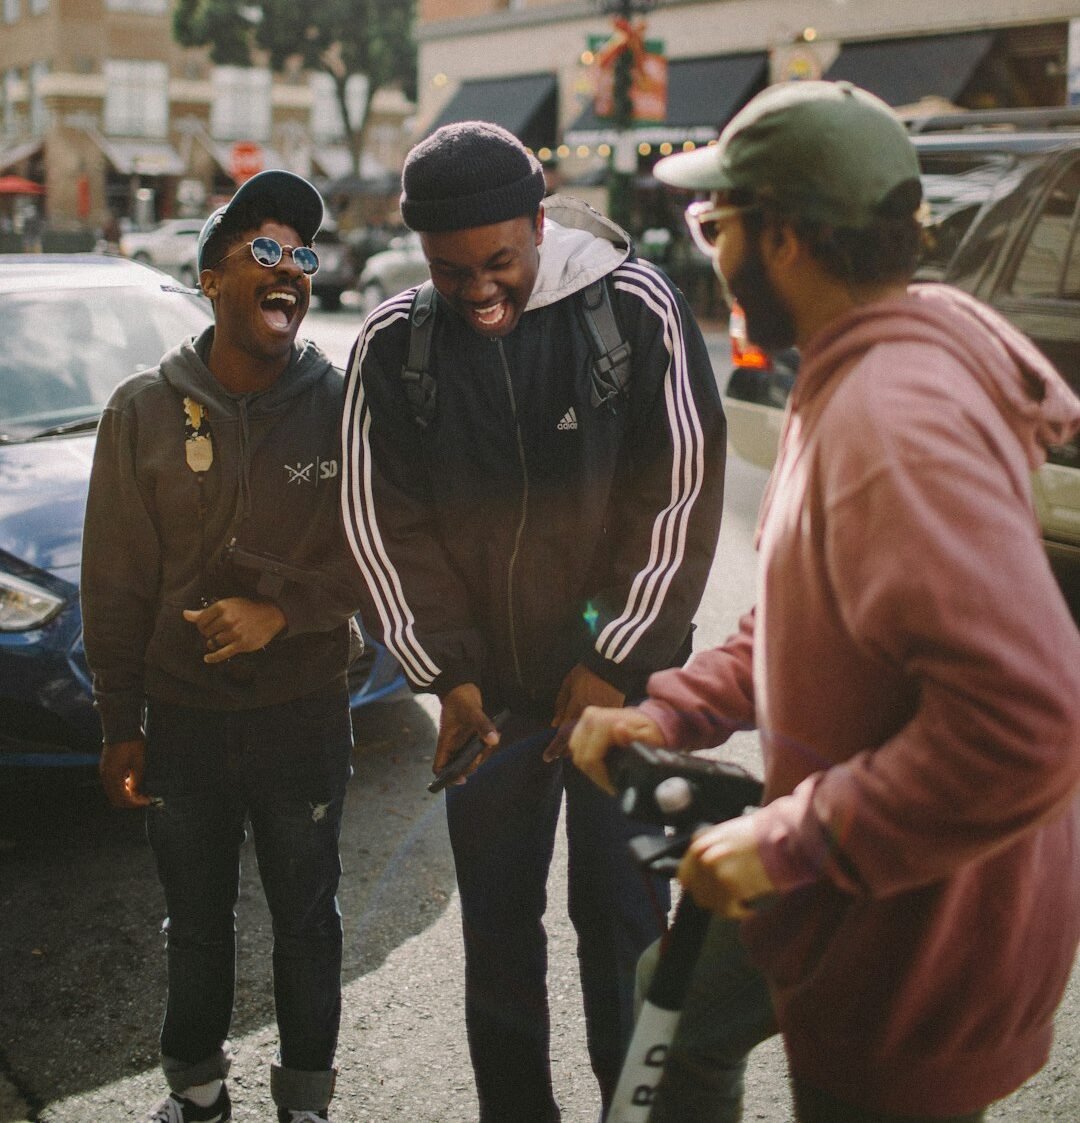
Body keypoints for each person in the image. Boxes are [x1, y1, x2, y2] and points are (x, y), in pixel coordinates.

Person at [571, 80, 1080, 1123]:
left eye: (718, 222)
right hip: (851, 883)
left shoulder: (890, 424)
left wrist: (790, 840)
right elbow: (815, 613)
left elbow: (1031, 719)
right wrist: (675, 708)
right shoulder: (851, 375)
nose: (710, 248)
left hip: (917, 924)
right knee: (679, 1011)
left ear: (788, 239)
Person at [340, 120, 727, 1121]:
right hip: (491, 704)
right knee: (499, 938)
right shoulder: (394, 345)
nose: (477, 290)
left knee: (626, 930)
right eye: (447, 268)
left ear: (541, 223)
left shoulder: (635, 310)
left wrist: (613, 660)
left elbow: (679, 498)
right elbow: (382, 524)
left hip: (617, 699)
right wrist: (447, 674)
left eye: (499, 260)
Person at [81, 170, 363, 1123]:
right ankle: (196, 1092)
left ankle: (307, 1103)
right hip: (186, 721)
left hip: (304, 714)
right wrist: (121, 722)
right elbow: (113, 585)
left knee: (307, 924)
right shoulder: (142, 411)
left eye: (303, 256)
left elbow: (386, 554)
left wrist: (285, 613)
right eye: (266, 254)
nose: (290, 272)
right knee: (196, 925)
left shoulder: (341, 402)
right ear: (210, 280)